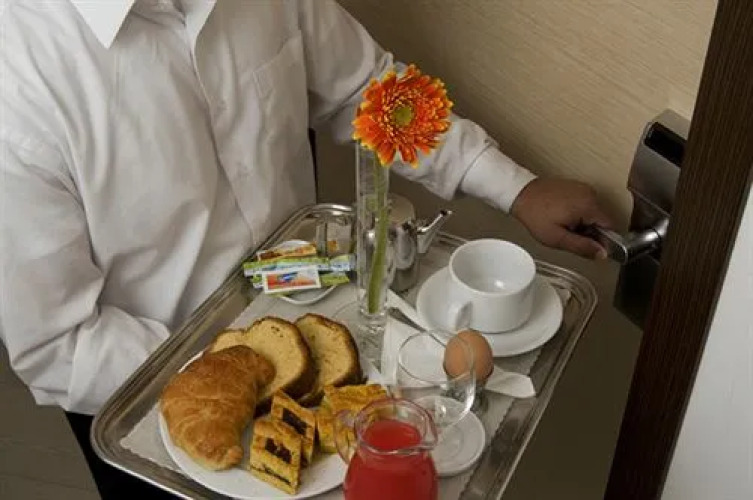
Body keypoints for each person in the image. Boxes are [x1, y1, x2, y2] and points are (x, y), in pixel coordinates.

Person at [0, 0, 612, 497]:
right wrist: (232, 384)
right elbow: (59, 346)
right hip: (163, 409)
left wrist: (513, 186)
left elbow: (370, 89)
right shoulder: (19, 85)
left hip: (319, 329)